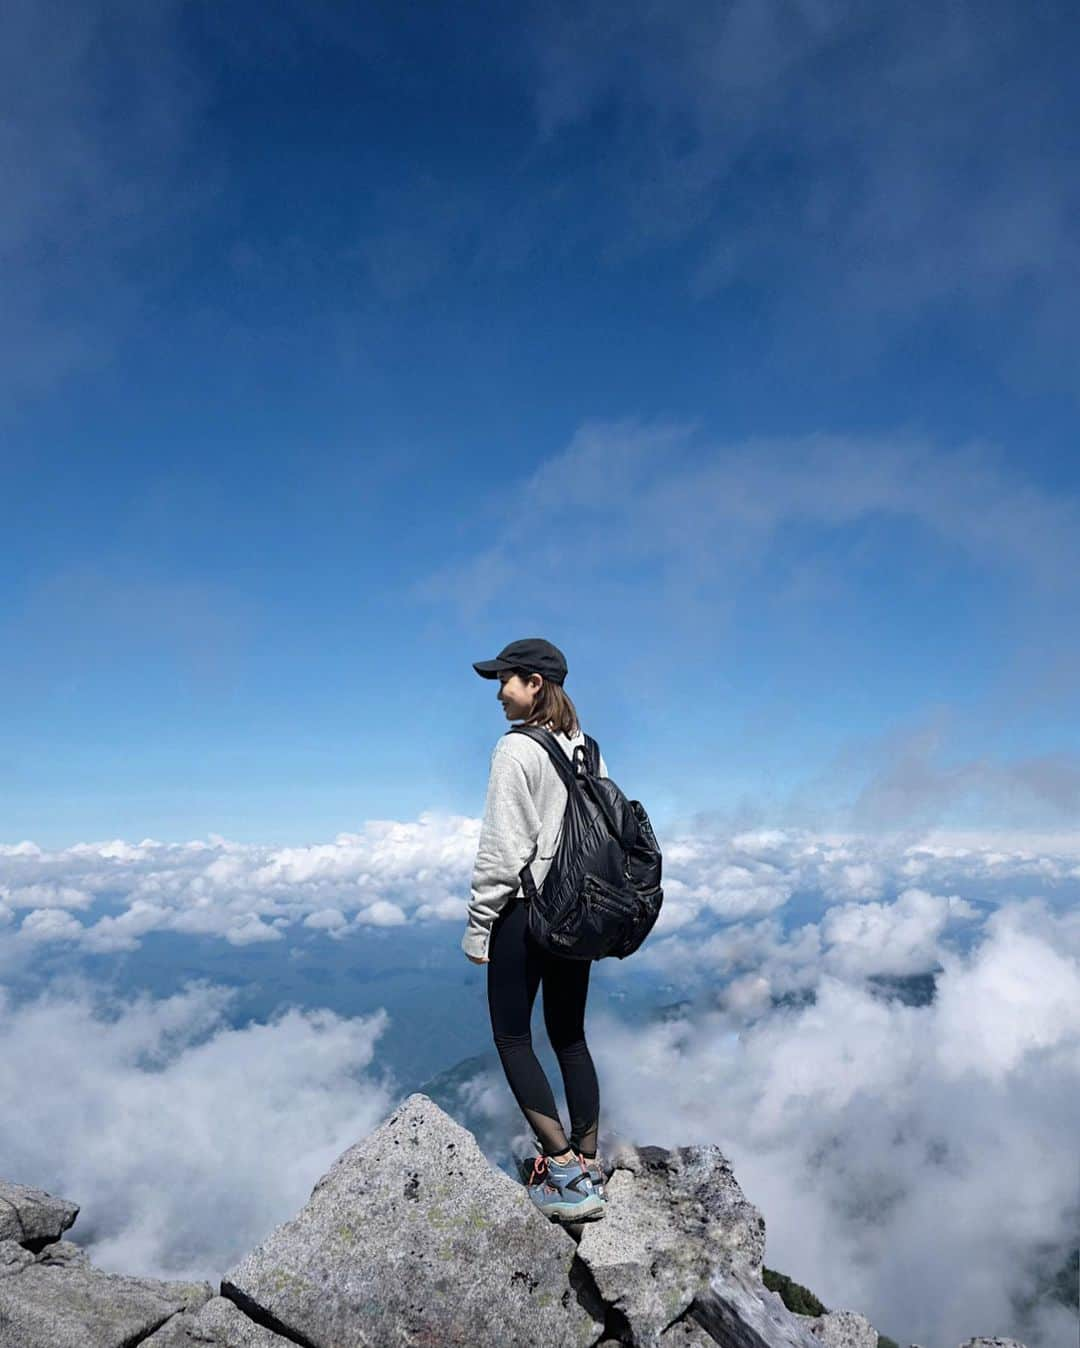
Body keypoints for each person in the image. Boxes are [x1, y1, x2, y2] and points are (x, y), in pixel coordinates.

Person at [463, 637, 608, 1223]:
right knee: (570, 1036)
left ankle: (564, 1172)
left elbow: (503, 850)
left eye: (506, 679)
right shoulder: (589, 750)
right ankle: (591, 1162)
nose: (499, 692)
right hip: (580, 912)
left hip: (526, 911)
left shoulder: (514, 750)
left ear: (535, 685)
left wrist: (479, 927)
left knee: (512, 1037)